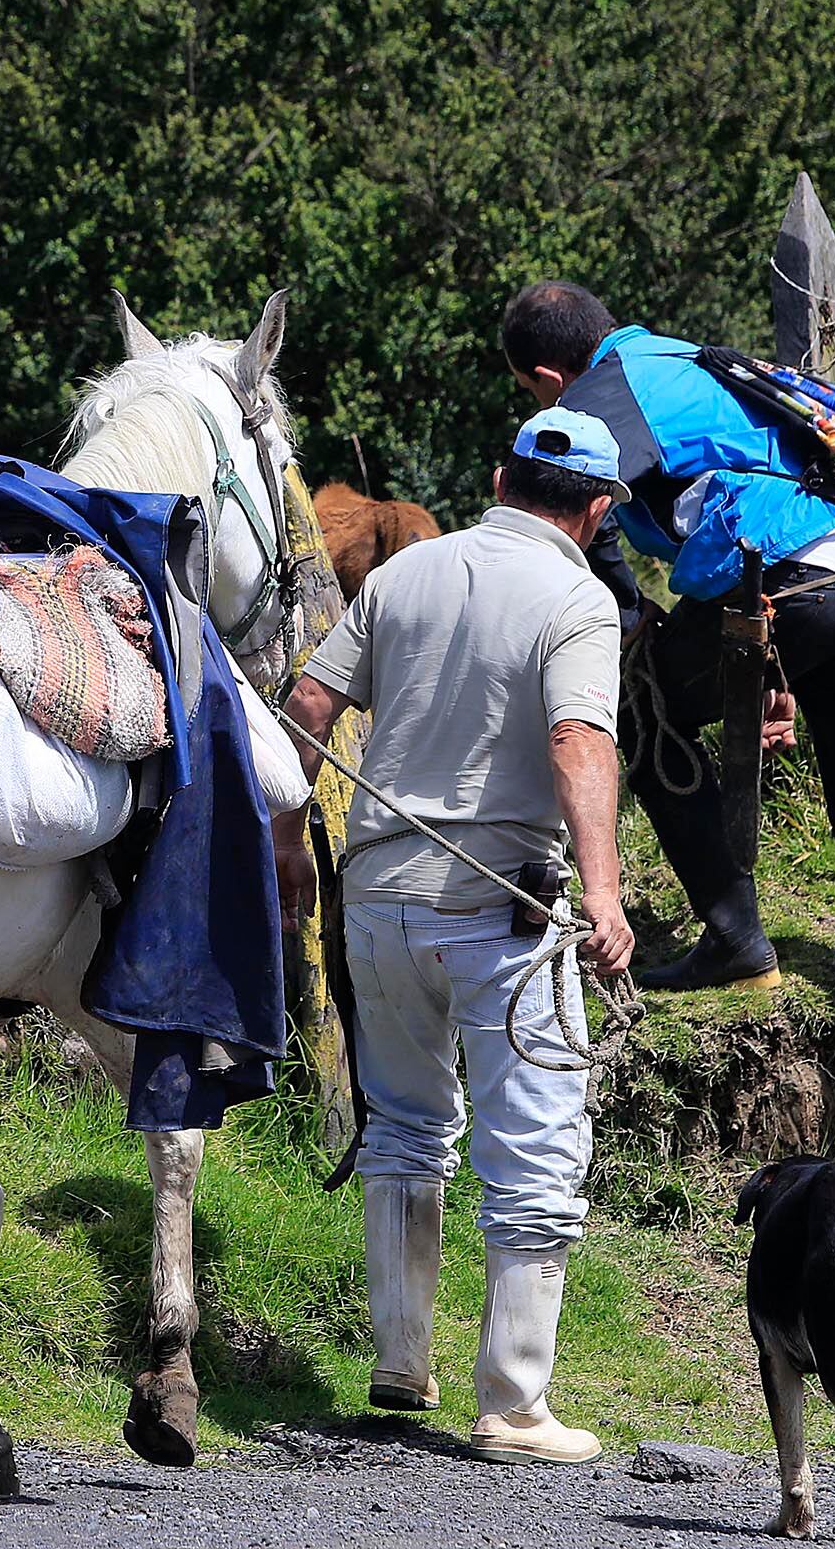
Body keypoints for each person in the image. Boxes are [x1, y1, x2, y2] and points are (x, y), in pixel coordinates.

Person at [499, 279, 835, 1145]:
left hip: (790, 582)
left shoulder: (607, 394)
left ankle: (736, 939)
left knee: (637, 714)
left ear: (546, 379)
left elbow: (571, 512)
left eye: (534, 396)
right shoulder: (686, 362)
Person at [275, 409, 635, 1467]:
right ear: (599, 509)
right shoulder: (580, 596)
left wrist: (291, 844)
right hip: (499, 904)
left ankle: (400, 1358)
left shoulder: (404, 577)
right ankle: (516, 1404)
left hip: (379, 897)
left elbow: (304, 703)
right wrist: (605, 894)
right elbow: (577, 741)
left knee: (404, 1126)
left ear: (496, 476)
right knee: (535, 1148)